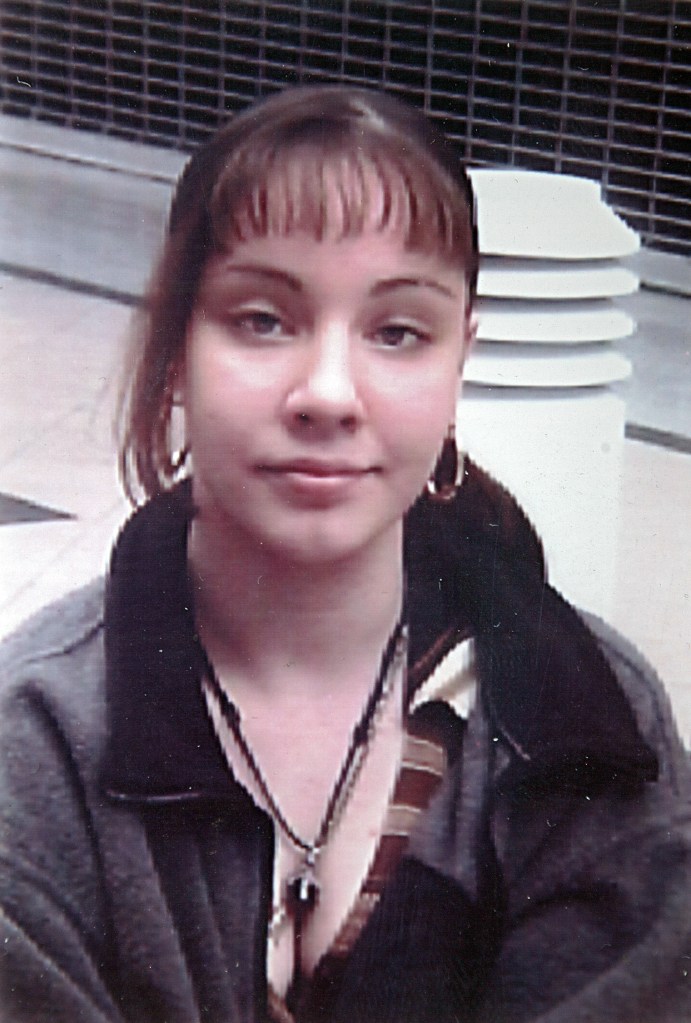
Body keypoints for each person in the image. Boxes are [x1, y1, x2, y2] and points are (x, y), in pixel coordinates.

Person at [0, 85, 689, 1023]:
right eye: (262, 319)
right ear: (174, 351)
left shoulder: (595, 728)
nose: (327, 392)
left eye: (397, 331)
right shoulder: (36, 742)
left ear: (457, 364)